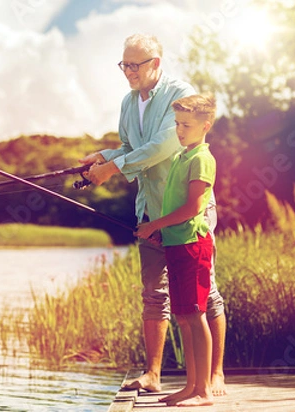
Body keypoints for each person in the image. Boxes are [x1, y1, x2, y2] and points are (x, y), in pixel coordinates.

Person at [79, 34, 227, 396]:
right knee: (153, 294)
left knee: (205, 294)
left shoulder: (180, 93)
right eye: (124, 64)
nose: (128, 72)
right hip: (150, 210)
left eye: (135, 65)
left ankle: (215, 375)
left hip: (186, 212)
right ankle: (153, 375)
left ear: (156, 63)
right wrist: (104, 155)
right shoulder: (129, 103)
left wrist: (114, 169)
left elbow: (164, 146)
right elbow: (131, 148)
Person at [135, 93, 217, 406]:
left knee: (196, 316)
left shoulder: (201, 159)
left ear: (205, 126)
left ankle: (205, 391)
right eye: (177, 124)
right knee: (183, 316)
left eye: (186, 125)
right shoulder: (183, 156)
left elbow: (194, 208)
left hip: (194, 246)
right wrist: (162, 233)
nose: (180, 130)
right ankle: (191, 386)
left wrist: (155, 225)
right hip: (177, 243)